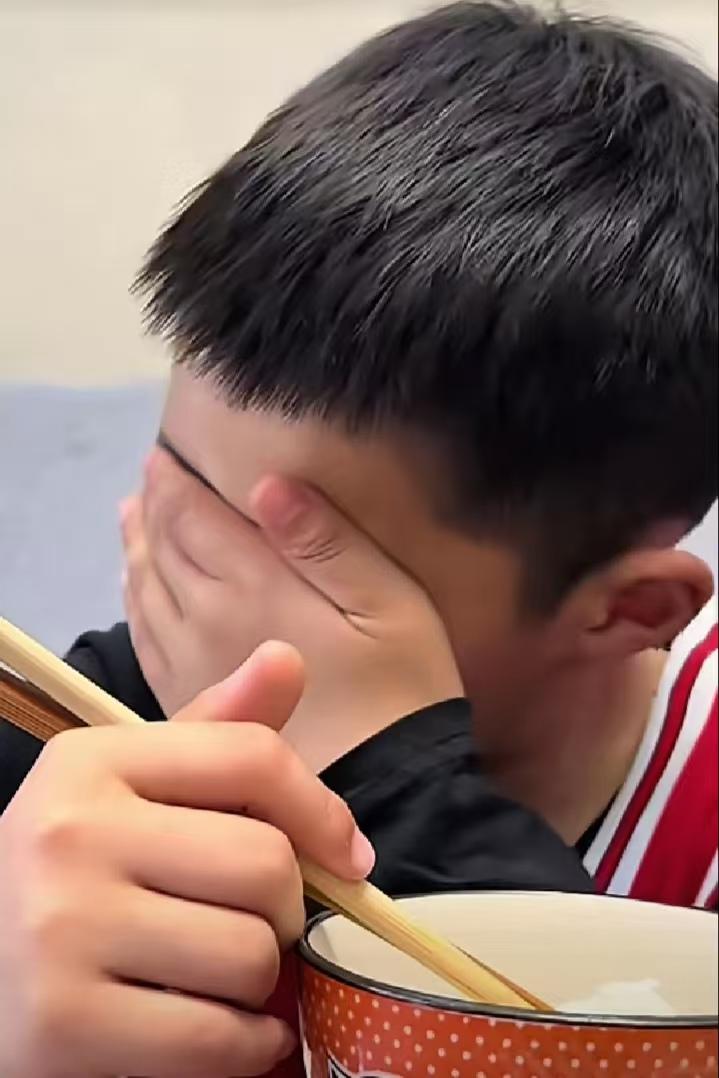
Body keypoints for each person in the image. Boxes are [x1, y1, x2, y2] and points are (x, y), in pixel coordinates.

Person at [0, 1, 716, 1074]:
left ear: (625, 612)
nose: (194, 594)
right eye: (180, 501)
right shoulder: (102, 753)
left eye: (297, 569)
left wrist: (400, 785)